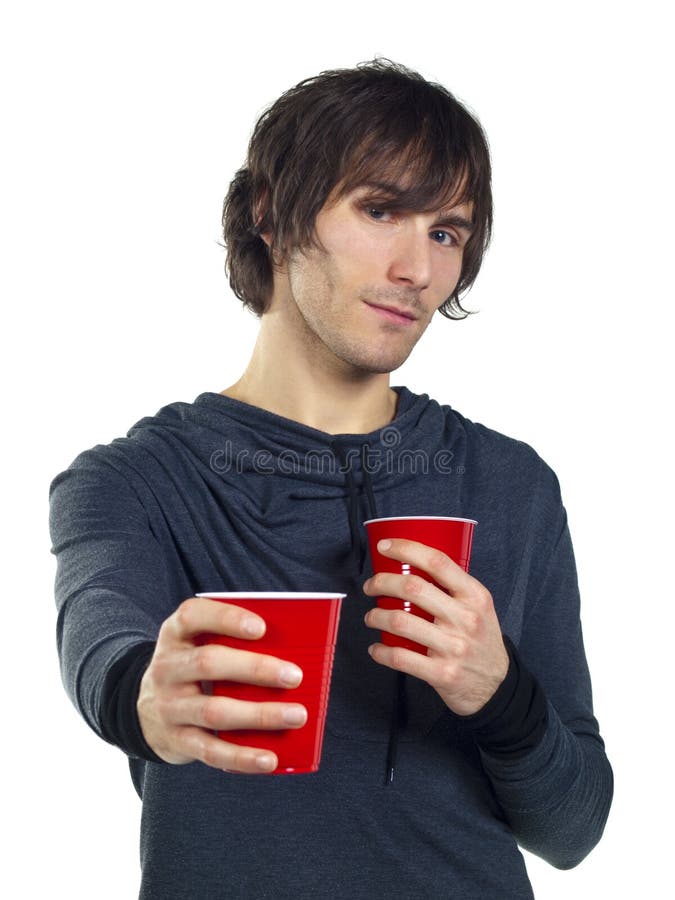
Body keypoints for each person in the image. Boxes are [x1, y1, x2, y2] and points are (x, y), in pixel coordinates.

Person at [49, 59, 613, 899]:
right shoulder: (133, 480)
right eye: (380, 209)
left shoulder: (509, 483)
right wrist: (144, 698)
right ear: (270, 215)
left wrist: (500, 695)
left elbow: (572, 832)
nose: (417, 270)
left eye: (446, 232)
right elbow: (102, 637)